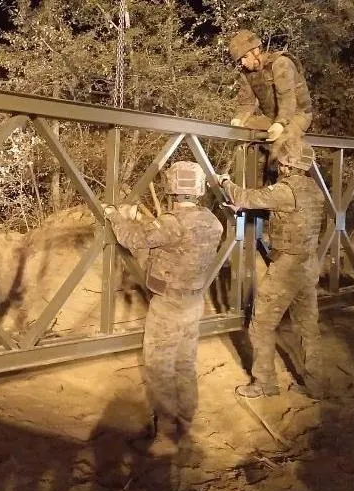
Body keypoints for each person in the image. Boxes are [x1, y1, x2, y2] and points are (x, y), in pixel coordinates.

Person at [104, 161, 223, 456]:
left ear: (172, 188)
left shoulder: (171, 223)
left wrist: (118, 217)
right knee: (185, 363)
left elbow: (132, 238)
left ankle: (167, 433)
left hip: (169, 303)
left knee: (159, 366)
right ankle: (186, 424)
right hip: (195, 301)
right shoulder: (213, 221)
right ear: (197, 189)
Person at [219, 137, 326, 399]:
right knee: (308, 327)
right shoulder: (314, 190)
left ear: (286, 164)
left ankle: (264, 383)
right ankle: (316, 385)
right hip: (309, 265)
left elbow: (246, 195)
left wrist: (224, 182)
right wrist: (247, 208)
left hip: (287, 267)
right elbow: (290, 214)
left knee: (261, 325)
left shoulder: (284, 189)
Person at [228, 29, 314, 163]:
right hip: (272, 117)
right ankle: (250, 179)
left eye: (244, 57)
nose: (242, 63)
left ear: (256, 51)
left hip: (298, 115)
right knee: (242, 133)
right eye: (240, 60)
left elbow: (287, 98)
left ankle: (288, 181)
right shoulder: (247, 74)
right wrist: (239, 120)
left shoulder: (281, 63)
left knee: (281, 145)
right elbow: (247, 103)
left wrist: (280, 123)